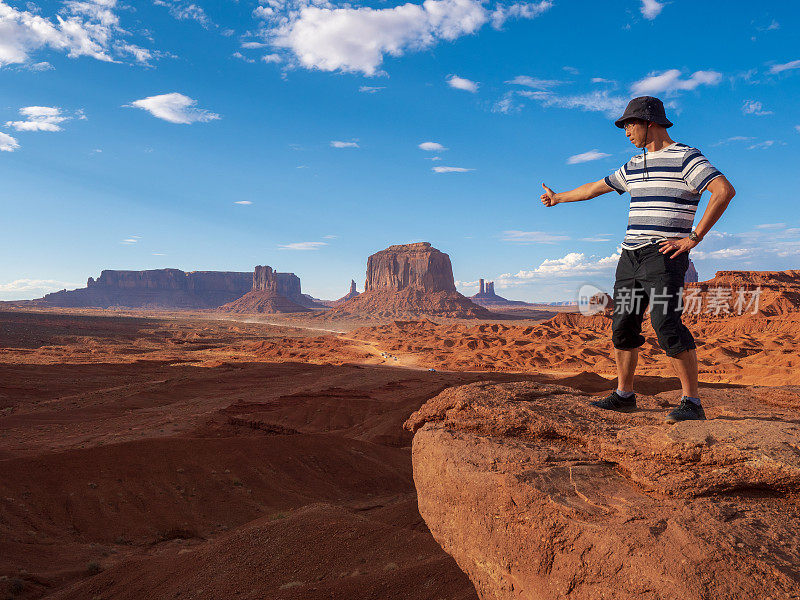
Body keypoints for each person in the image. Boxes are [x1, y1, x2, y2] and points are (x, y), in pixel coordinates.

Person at [540, 96, 735, 423]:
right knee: (623, 325)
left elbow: (723, 191)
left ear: (650, 121)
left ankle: (692, 402)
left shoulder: (686, 157)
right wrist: (558, 198)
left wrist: (693, 238)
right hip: (630, 256)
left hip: (663, 256)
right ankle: (624, 395)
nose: (627, 131)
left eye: (630, 124)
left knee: (665, 324)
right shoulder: (634, 164)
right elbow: (593, 188)